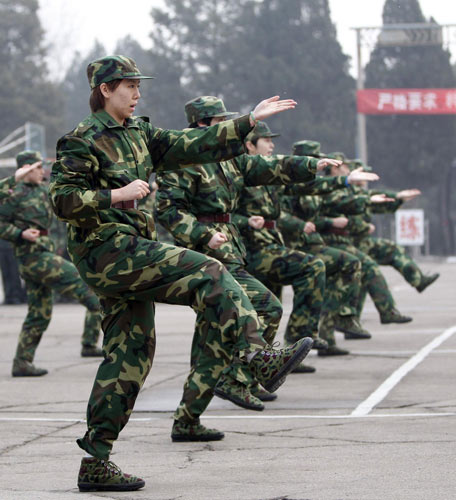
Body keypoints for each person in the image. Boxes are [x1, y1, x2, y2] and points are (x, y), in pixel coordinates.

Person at [49, 55, 314, 492]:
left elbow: (195, 146)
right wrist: (116, 194)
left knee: (130, 357)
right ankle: (256, 356)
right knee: (208, 271)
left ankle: (95, 459)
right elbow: (62, 201)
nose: (137, 94)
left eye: (138, 86)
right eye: (129, 86)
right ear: (105, 89)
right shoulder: (82, 140)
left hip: (130, 254)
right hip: (106, 250)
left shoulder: (141, 134)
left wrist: (248, 121)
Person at [156, 102, 341, 411]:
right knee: (265, 307)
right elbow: (167, 210)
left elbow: (267, 167)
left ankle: (189, 418)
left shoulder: (229, 160)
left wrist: (310, 165)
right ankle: (239, 376)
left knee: (210, 336)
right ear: (204, 124)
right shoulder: (184, 160)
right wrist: (204, 235)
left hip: (229, 253)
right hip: (205, 258)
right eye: (221, 121)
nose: (230, 128)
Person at [0, 151, 103, 378]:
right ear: (26, 168)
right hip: (33, 258)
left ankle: (22, 363)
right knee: (90, 290)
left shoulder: (42, 190)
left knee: (39, 314)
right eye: (38, 168)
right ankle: (113, 347)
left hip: (43, 253)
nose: (42, 172)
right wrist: (19, 233)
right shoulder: (12, 193)